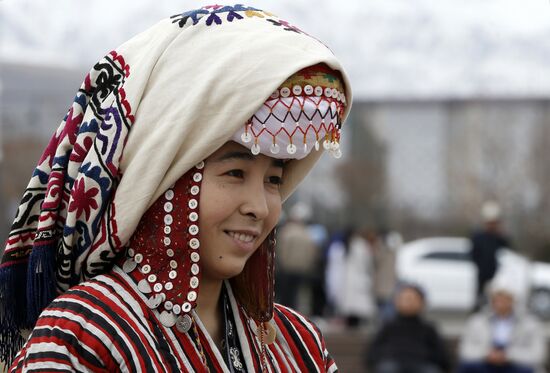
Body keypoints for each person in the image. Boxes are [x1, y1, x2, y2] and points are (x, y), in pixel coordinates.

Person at [0, 5, 351, 371]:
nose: (259, 207)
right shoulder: (84, 335)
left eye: (274, 180)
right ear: (165, 176)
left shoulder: (300, 343)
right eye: (234, 173)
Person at [458, 281, 546, 373]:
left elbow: (537, 354)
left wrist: (508, 356)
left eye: (505, 299)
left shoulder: (531, 324)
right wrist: (487, 354)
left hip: (515, 365)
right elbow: (465, 350)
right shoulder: (477, 321)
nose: (500, 303)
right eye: (497, 299)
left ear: (513, 301)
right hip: (485, 363)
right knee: (467, 367)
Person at [366, 283, 450, 373]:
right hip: (392, 365)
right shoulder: (388, 327)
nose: (409, 302)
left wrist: (423, 356)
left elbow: (443, 358)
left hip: (422, 365)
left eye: (413, 299)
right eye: (404, 299)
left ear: (422, 302)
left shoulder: (428, 329)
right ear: (396, 302)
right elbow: (372, 354)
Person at [276, 202, 318, 313]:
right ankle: (292, 314)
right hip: (301, 269)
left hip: (287, 268)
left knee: (285, 295)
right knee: (295, 295)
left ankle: (283, 315)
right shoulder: (307, 233)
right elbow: (311, 253)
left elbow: (281, 249)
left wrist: (283, 264)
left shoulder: (287, 231)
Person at [470, 201, 511, 311]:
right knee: (480, 299)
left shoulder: (499, 238)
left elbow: (508, 252)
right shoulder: (478, 237)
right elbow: (474, 255)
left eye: (494, 223)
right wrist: (481, 267)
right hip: (483, 275)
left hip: (498, 275)